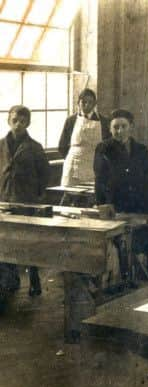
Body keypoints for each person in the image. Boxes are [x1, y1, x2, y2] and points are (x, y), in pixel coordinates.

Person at [0, 106, 50, 308]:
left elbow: (44, 174)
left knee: (30, 242)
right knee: (5, 241)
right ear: (8, 121)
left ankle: (34, 277)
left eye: (22, 121)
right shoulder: (1, 145)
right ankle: (9, 281)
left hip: (26, 200)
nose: (18, 124)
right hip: (4, 198)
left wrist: (36, 196)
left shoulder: (35, 147)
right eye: (14, 120)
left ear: (27, 123)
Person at [93, 109, 148, 214]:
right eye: (116, 127)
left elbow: (147, 180)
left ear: (131, 127)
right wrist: (101, 205)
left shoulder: (141, 150)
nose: (120, 131)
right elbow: (100, 180)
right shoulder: (103, 148)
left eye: (124, 126)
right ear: (109, 128)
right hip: (115, 205)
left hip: (140, 204)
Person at [58, 88, 111, 186]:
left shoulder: (104, 121)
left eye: (90, 102)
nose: (87, 105)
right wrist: (75, 156)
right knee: (71, 195)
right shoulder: (71, 120)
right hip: (73, 166)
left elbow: (109, 147)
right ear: (78, 103)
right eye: (84, 102)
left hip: (94, 166)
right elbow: (62, 146)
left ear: (95, 104)